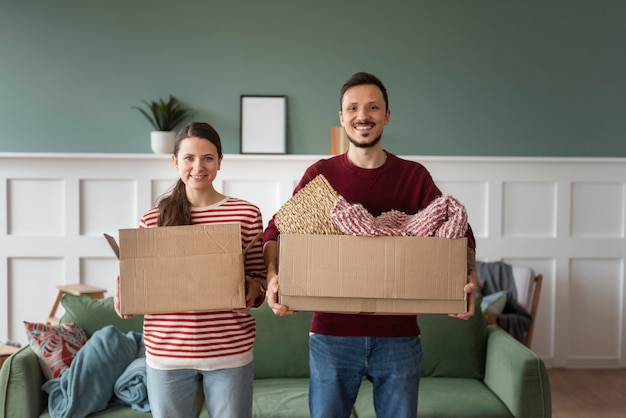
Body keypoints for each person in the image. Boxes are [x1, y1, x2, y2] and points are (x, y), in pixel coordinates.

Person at [262, 72, 478, 418]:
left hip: (399, 337)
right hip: (331, 336)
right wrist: (274, 277)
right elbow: (276, 229)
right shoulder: (321, 176)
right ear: (342, 117)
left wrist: (469, 277)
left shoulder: (414, 176)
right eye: (353, 108)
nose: (363, 115)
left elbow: (458, 233)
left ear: (387, 115)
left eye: (373, 107)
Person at [114, 121, 266, 418]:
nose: (199, 166)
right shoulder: (152, 219)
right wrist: (126, 291)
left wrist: (253, 290)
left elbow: (260, 279)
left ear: (220, 161)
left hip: (229, 351)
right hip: (167, 353)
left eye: (208, 158)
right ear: (175, 162)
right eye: (189, 158)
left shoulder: (246, 214)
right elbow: (145, 281)